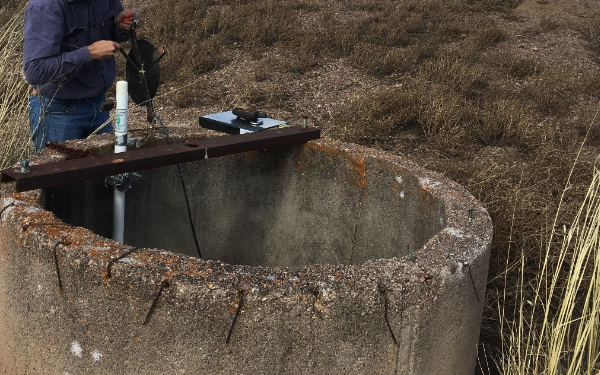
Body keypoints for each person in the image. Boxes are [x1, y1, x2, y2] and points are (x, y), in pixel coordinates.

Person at [23, 0, 137, 151]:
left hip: (100, 105)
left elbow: (114, 34)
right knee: (61, 173)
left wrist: (120, 25)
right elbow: (35, 71)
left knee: (103, 171)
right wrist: (90, 53)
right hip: (58, 111)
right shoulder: (45, 6)